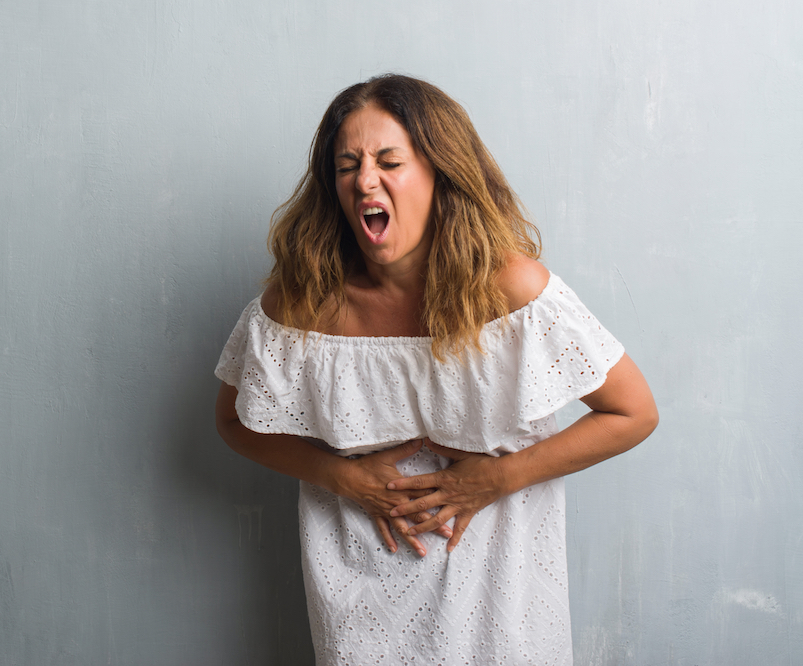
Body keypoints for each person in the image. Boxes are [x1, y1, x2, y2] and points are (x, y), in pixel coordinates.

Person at [213, 74, 658, 664]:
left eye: (389, 161)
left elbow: (633, 413)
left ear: (439, 174)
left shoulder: (511, 290)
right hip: (359, 592)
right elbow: (234, 421)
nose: (364, 180)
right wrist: (342, 478)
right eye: (347, 166)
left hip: (500, 590)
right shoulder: (302, 304)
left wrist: (496, 479)